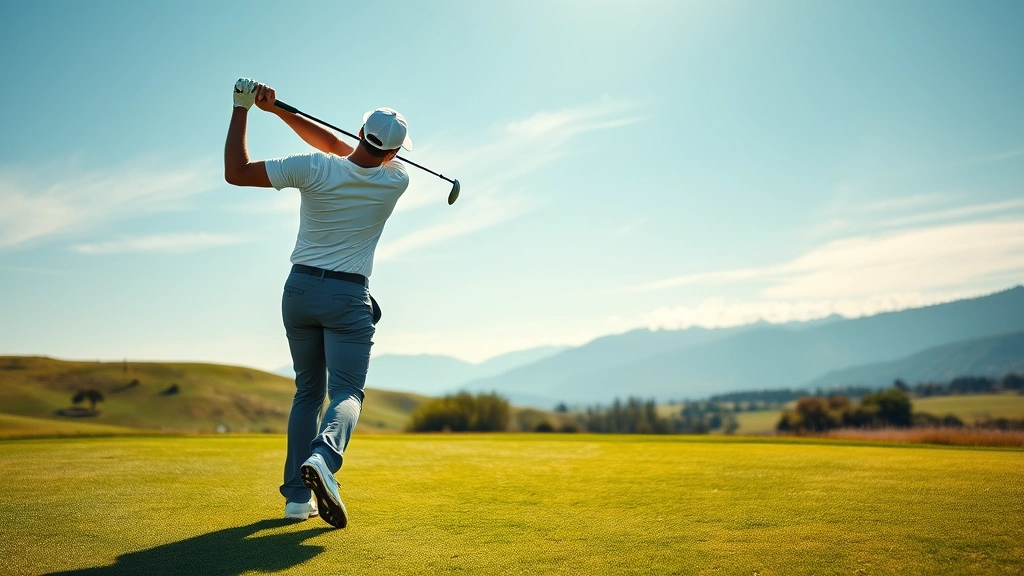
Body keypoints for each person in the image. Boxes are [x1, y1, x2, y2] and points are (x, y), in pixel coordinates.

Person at [224, 78, 411, 528]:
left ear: (360, 131)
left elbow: (237, 171)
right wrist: (281, 113)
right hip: (348, 297)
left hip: (300, 292)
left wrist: (246, 109)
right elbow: (349, 149)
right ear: (393, 153)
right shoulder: (396, 180)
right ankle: (325, 458)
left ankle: (295, 500)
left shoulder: (313, 167)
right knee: (346, 391)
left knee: (307, 392)